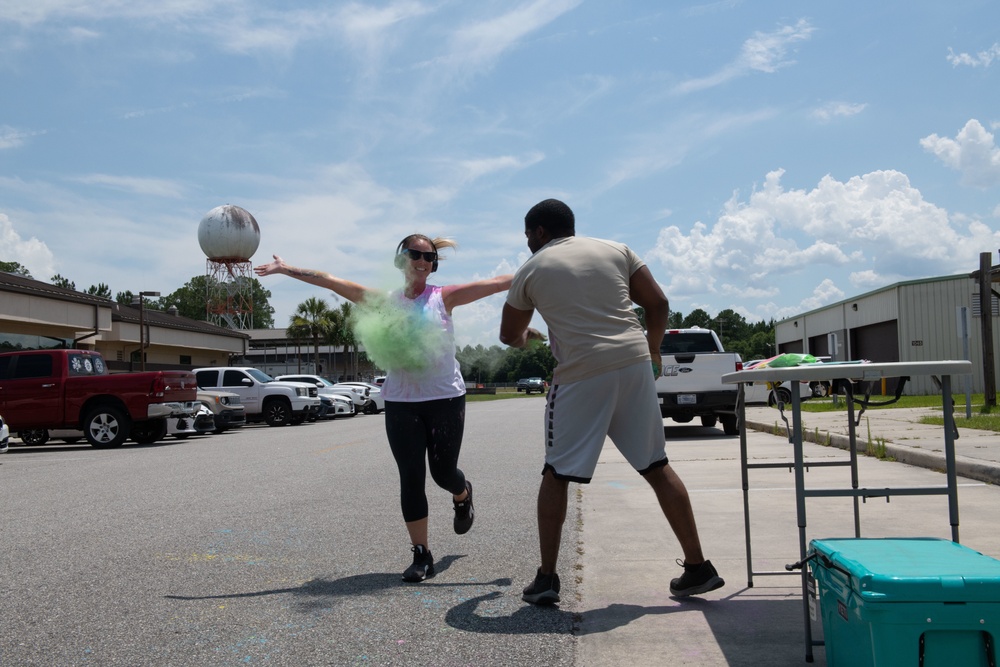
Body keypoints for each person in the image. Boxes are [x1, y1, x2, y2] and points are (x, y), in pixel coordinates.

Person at [499, 198, 724, 605]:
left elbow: (508, 334)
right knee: (656, 465)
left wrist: (525, 338)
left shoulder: (531, 270)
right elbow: (657, 304)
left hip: (582, 374)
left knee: (556, 472)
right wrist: (653, 352)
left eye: (528, 234)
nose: (527, 242)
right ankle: (698, 567)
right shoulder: (616, 249)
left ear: (540, 232)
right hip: (635, 362)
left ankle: (547, 578)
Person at [255, 235, 512, 582]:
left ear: (433, 264)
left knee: (442, 473)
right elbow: (332, 281)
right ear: (400, 260)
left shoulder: (443, 297)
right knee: (411, 478)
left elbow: (496, 283)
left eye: (429, 256)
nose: (422, 260)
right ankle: (421, 553)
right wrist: (286, 270)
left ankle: (462, 493)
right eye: (414, 254)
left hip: (445, 399)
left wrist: (543, 268)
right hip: (401, 402)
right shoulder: (383, 302)